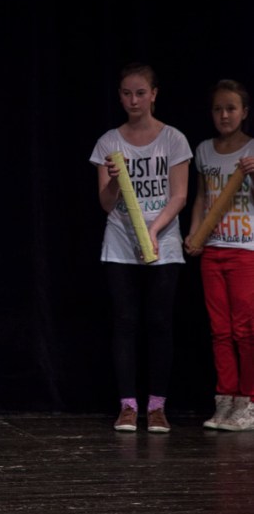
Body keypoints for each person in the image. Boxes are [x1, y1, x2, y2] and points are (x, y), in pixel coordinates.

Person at [89, 62, 192, 433]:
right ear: (120, 96)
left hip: (162, 242)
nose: (133, 100)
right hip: (120, 243)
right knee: (125, 322)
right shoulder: (109, 142)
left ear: (154, 95)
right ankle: (128, 406)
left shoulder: (173, 139)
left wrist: (154, 230)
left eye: (140, 93)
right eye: (127, 93)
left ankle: (158, 407)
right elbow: (106, 203)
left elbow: (179, 195)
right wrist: (115, 182)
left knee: (160, 322)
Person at [184, 79, 254, 431]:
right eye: (218, 109)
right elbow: (201, 197)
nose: (224, 115)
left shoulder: (252, 150)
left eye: (231, 108)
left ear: (244, 112)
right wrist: (195, 232)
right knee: (220, 330)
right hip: (213, 249)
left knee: (246, 329)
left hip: (246, 250)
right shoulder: (204, 151)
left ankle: (249, 401)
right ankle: (225, 398)